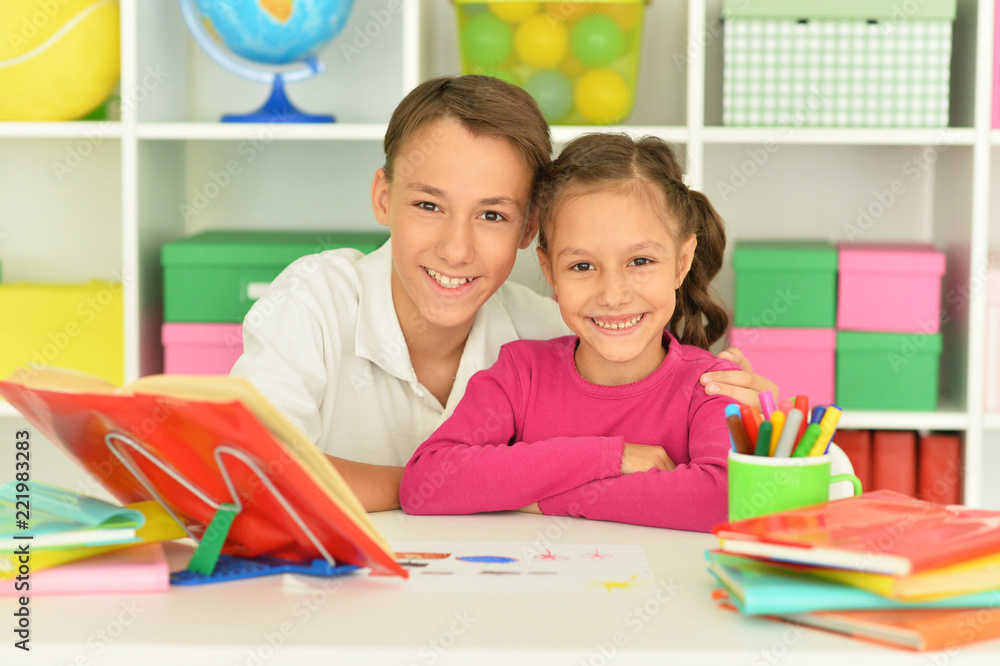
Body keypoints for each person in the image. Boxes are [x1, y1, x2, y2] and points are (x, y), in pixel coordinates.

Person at [230, 76, 773, 513]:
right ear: (382, 196)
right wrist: (436, 487)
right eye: (428, 206)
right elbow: (245, 472)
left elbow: (740, 489)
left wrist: (766, 436)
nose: (457, 249)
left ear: (528, 229)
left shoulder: (562, 328)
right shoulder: (313, 301)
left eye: (492, 215)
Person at [400, 133, 739, 532]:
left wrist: (546, 500)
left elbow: (723, 500)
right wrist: (609, 457)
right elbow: (426, 483)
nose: (613, 295)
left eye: (640, 261)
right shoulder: (521, 372)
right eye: (582, 266)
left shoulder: (712, 386)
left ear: (681, 262)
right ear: (549, 271)